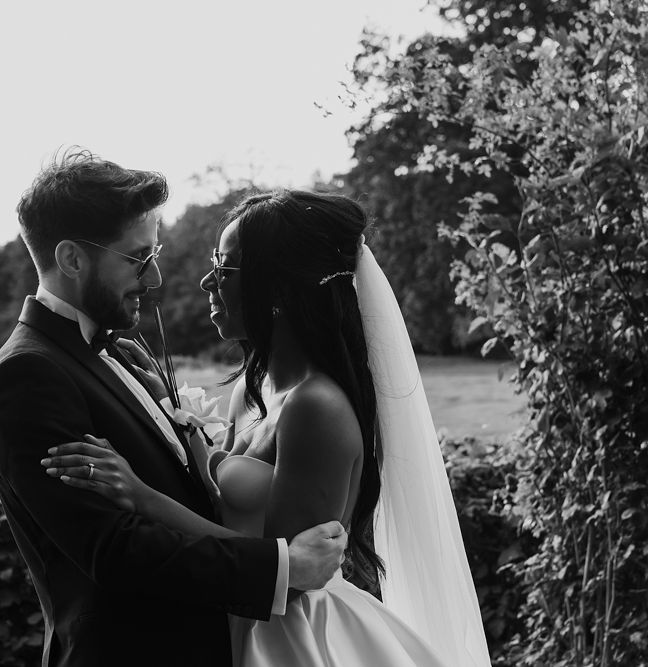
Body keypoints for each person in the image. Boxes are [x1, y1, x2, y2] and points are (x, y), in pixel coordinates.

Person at [44, 190, 492, 666]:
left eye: (225, 269)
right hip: (236, 621)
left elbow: (290, 579)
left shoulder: (316, 408)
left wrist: (142, 497)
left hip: (293, 639)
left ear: (279, 289)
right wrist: (166, 405)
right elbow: (222, 495)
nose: (206, 282)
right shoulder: (252, 390)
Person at [0, 152, 347, 667]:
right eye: (139, 259)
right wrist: (281, 569)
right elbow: (113, 549)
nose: (156, 277)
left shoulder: (120, 351)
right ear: (72, 259)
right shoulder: (27, 373)